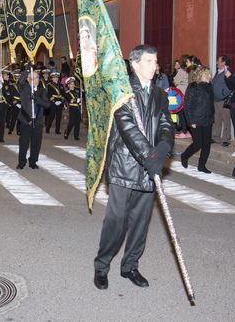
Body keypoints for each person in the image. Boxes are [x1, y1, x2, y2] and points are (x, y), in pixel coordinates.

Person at [94, 45, 174, 290]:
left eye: (156, 61)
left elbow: (166, 123)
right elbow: (127, 127)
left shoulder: (160, 94)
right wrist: (149, 155)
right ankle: (101, 266)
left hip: (150, 168)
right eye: (149, 61)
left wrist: (163, 149)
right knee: (116, 222)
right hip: (124, 165)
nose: (155, 65)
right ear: (134, 64)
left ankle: (130, 266)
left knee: (140, 222)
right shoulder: (122, 90)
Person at [180, 67, 214, 173]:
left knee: (206, 144)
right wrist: (191, 121)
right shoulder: (193, 87)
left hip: (207, 118)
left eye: (209, 74)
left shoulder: (209, 87)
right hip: (195, 119)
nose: (209, 76)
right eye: (207, 74)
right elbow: (187, 105)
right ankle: (184, 156)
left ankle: (202, 165)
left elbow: (210, 103)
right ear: (201, 75)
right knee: (198, 143)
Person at [16, 68, 50, 169]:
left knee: (36, 144)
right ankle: (22, 162)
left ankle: (33, 162)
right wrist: (28, 69)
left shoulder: (41, 91)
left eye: (36, 78)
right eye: (33, 78)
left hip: (38, 122)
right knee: (24, 144)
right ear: (28, 79)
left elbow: (47, 105)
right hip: (25, 121)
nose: (35, 80)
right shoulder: (24, 88)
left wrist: (37, 99)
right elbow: (21, 80)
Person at [212, 55, 232, 147]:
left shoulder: (227, 72)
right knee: (217, 119)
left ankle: (226, 139)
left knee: (226, 120)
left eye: (218, 61)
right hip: (216, 99)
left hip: (224, 100)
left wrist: (224, 95)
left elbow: (231, 86)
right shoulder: (218, 72)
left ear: (223, 63)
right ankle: (216, 137)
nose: (216, 62)